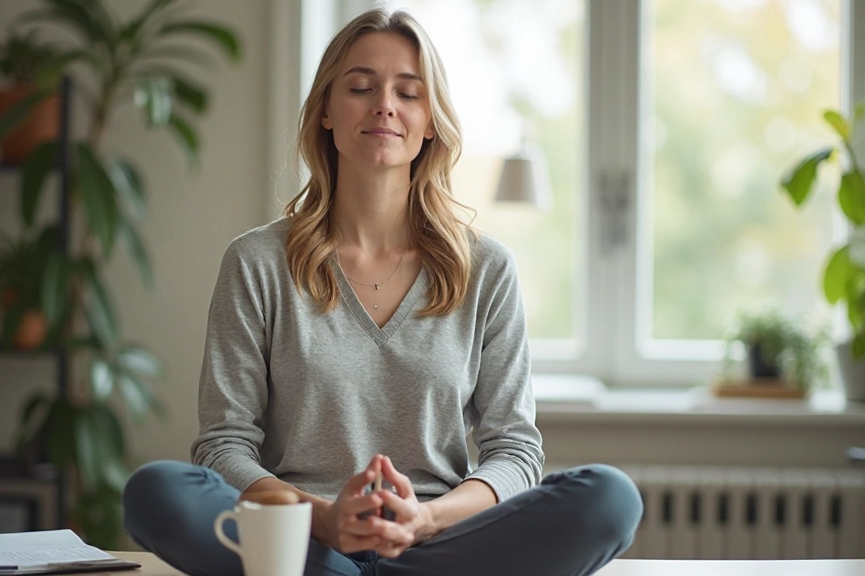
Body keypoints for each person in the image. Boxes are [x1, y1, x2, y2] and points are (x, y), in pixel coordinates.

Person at [123, 8, 642, 576]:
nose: (384, 105)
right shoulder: (256, 262)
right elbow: (224, 446)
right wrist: (323, 518)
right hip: (302, 540)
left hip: (439, 541)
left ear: (431, 122)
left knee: (610, 497)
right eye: (360, 87)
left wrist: (424, 520)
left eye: (408, 92)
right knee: (156, 490)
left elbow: (515, 452)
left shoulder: (487, 269)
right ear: (325, 110)